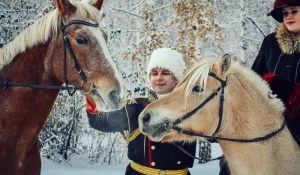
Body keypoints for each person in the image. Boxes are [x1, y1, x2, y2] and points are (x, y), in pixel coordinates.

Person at [85, 48, 197, 175]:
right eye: (154, 73)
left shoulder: (192, 108)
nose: (159, 78)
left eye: (165, 73)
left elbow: (217, 134)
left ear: (176, 78)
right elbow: (100, 123)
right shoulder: (136, 106)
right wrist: (91, 93)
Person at [252, 0, 300, 146]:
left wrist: (294, 93)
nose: (288, 16)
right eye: (285, 13)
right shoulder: (271, 42)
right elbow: (254, 76)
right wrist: (267, 84)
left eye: (294, 11)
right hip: (269, 117)